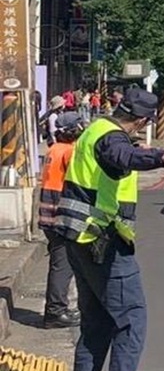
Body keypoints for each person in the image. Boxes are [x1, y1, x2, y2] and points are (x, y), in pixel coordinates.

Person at [55, 88, 164, 371]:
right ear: (142, 121)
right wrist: (162, 157)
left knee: (96, 323)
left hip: (79, 239)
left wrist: (151, 154)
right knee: (132, 320)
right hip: (104, 243)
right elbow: (123, 156)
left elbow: (122, 155)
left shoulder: (94, 129)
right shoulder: (112, 139)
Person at [37, 112, 86, 329]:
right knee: (63, 264)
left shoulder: (54, 149)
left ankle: (58, 308)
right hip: (61, 213)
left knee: (60, 261)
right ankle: (55, 312)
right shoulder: (70, 152)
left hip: (48, 211)